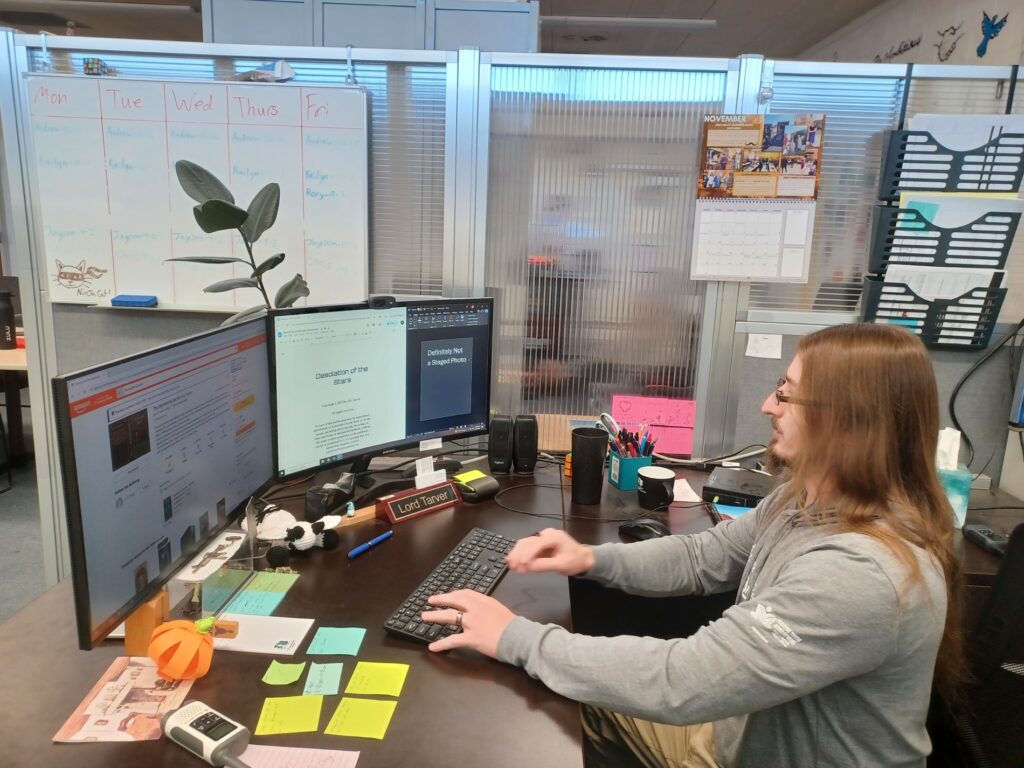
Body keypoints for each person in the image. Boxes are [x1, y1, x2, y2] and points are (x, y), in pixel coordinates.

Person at [422, 323, 964, 767]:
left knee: (543, 691)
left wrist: (515, 636)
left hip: (735, 746)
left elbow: (681, 681)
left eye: (787, 394)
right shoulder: (806, 499)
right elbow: (702, 558)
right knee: (564, 699)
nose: (767, 405)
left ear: (848, 420)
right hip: (736, 735)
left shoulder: (861, 573)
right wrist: (590, 559)